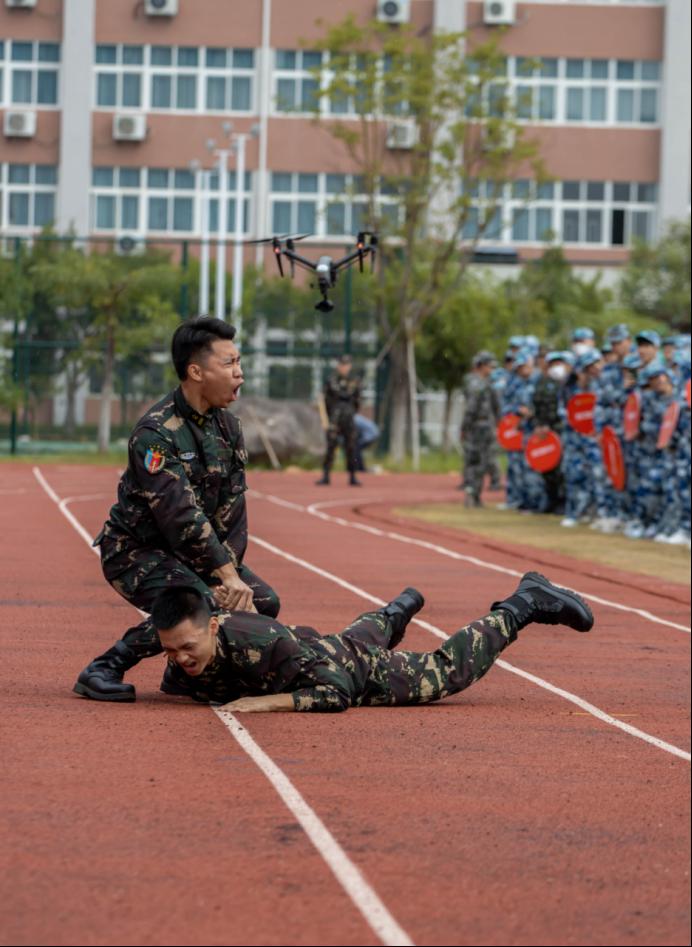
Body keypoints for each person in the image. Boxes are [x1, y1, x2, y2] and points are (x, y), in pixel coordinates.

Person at [73, 317, 280, 703]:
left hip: (191, 556)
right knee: (202, 602)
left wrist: (230, 577)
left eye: (239, 363)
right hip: (135, 552)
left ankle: (184, 675)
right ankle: (105, 666)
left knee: (263, 602)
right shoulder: (155, 434)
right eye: (230, 363)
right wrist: (222, 579)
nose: (240, 374)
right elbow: (180, 516)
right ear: (196, 371)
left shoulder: (229, 428)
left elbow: (232, 515)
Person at [151, 573, 594, 713]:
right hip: (322, 648)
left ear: (213, 628)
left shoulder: (264, 644)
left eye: (187, 647)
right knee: (350, 641)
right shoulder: (181, 648)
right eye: (171, 650)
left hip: (355, 671)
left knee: (445, 671)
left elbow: (337, 691)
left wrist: (266, 703)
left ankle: (523, 603)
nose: (179, 657)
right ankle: (395, 612)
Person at [460, 350, 501, 506]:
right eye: (489, 366)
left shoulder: (485, 383)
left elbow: (496, 406)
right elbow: (471, 409)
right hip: (478, 427)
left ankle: (474, 493)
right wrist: (465, 428)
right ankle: (472, 493)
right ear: (481, 366)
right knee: (476, 461)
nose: (491, 369)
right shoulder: (478, 384)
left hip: (482, 427)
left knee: (479, 462)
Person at [317, 354, 362, 487]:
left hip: (348, 418)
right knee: (331, 446)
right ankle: (326, 475)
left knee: (351, 447)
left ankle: (352, 476)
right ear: (338, 366)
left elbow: (357, 401)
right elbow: (325, 401)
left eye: (346, 365)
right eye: (342, 365)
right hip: (334, 419)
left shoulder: (355, 381)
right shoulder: (331, 380)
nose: (344, 367)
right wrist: (326, 419)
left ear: (350, 366)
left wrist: (351, 412)